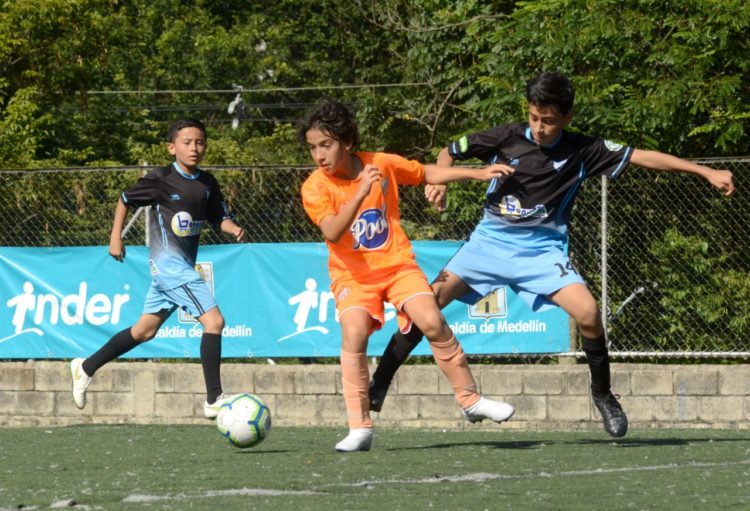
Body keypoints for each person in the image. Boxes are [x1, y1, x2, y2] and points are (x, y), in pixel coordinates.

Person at [368, 71, 736, 438]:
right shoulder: (505, 137)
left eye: (549, 120)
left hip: (541, 252)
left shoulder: (583, 149)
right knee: (424, 306)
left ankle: (603, 394)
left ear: (567, 118)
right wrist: (438, 183)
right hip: (489, 245)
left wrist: (704, 171)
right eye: (534, 117)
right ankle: (379, 385)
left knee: (589, 313)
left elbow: (644, 157)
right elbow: (448, 151)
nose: (540, 127)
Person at [298, 99, 516, 452]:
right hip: (353, 277)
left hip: (398, 266)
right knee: (353, 333)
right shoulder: (315, 187)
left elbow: (425, 172)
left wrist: (477, 173)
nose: (319, 155)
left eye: (326, 145)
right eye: (312, 148)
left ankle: (471, 401)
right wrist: (359, 193)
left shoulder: (380, 163)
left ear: (347, 142)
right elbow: (334, 232)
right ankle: (360, 427)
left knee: (431, 319)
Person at [70, 119, 246, 419]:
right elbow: (125, 199)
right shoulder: (161, 179)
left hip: (178, 269)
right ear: (172, 147)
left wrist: (232, 228)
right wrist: (116, 237)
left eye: (200, 142)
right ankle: (214, 398)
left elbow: (219, 217)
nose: (194, 148)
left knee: (144, 331)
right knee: (214, 322)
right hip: (170, 268)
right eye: (187, 142)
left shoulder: (207, 183)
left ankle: (85, 367)